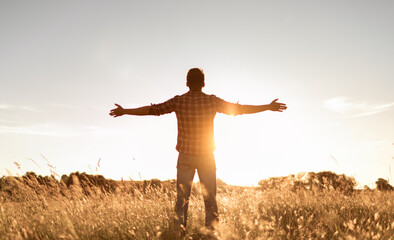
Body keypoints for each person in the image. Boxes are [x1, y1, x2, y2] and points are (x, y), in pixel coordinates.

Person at [109, 68, 287, 235]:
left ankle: (180, 233)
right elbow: (239, 110)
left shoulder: (178, 101)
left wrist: (125, 111)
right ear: (204, 83)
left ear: (187, 83)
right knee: (210, 200)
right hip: (207, 157)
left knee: (182, 200)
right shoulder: (211, 100)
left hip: (185, 157)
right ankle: (211, 234)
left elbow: (152, 110)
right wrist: (267, 107)